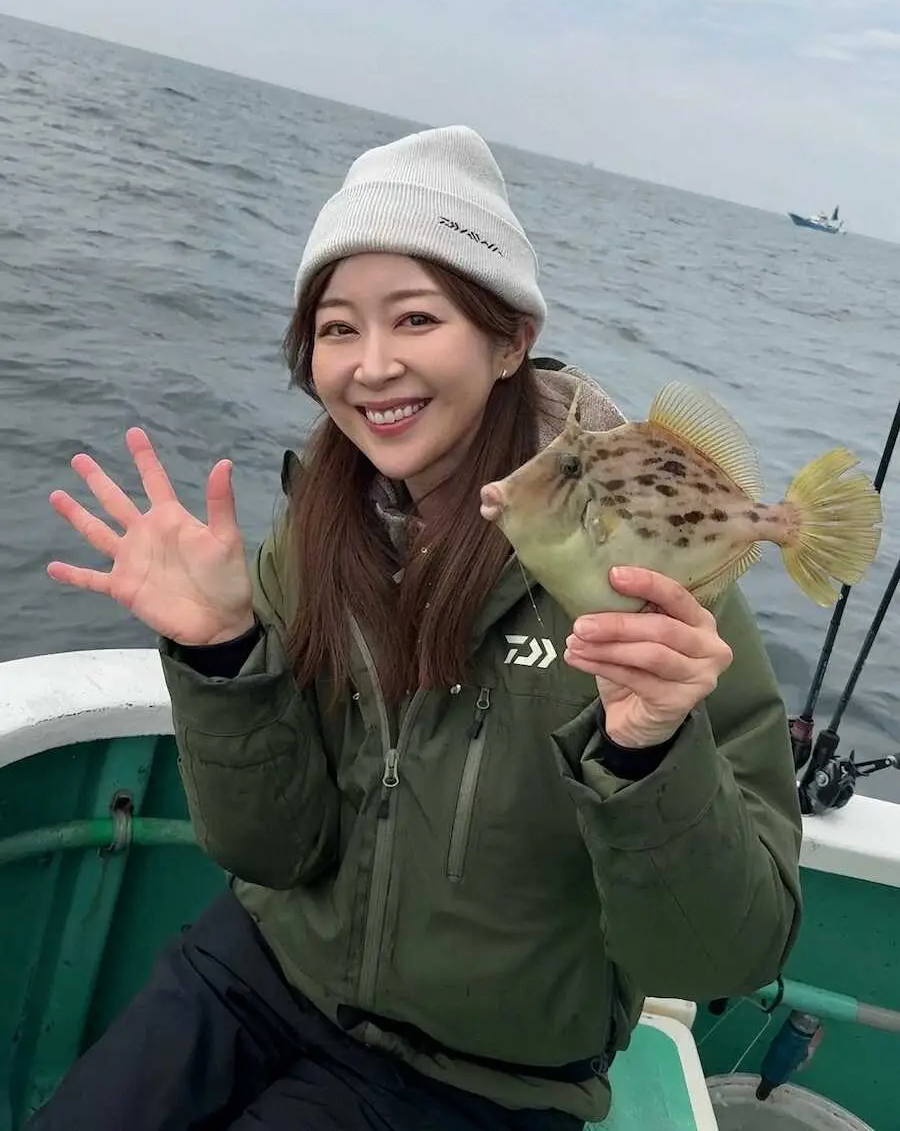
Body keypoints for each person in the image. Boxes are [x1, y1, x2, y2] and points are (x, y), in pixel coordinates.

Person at [36, 126, 802, 1131]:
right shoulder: (319, 527)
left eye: (415, 318)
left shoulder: (650, 580)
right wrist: (222, 650)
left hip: (479, 1078)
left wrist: (649, 752)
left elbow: (719, 956)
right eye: (337, 328)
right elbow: (273, 849)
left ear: (509, 339)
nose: (372, 365)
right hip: (261, 966)